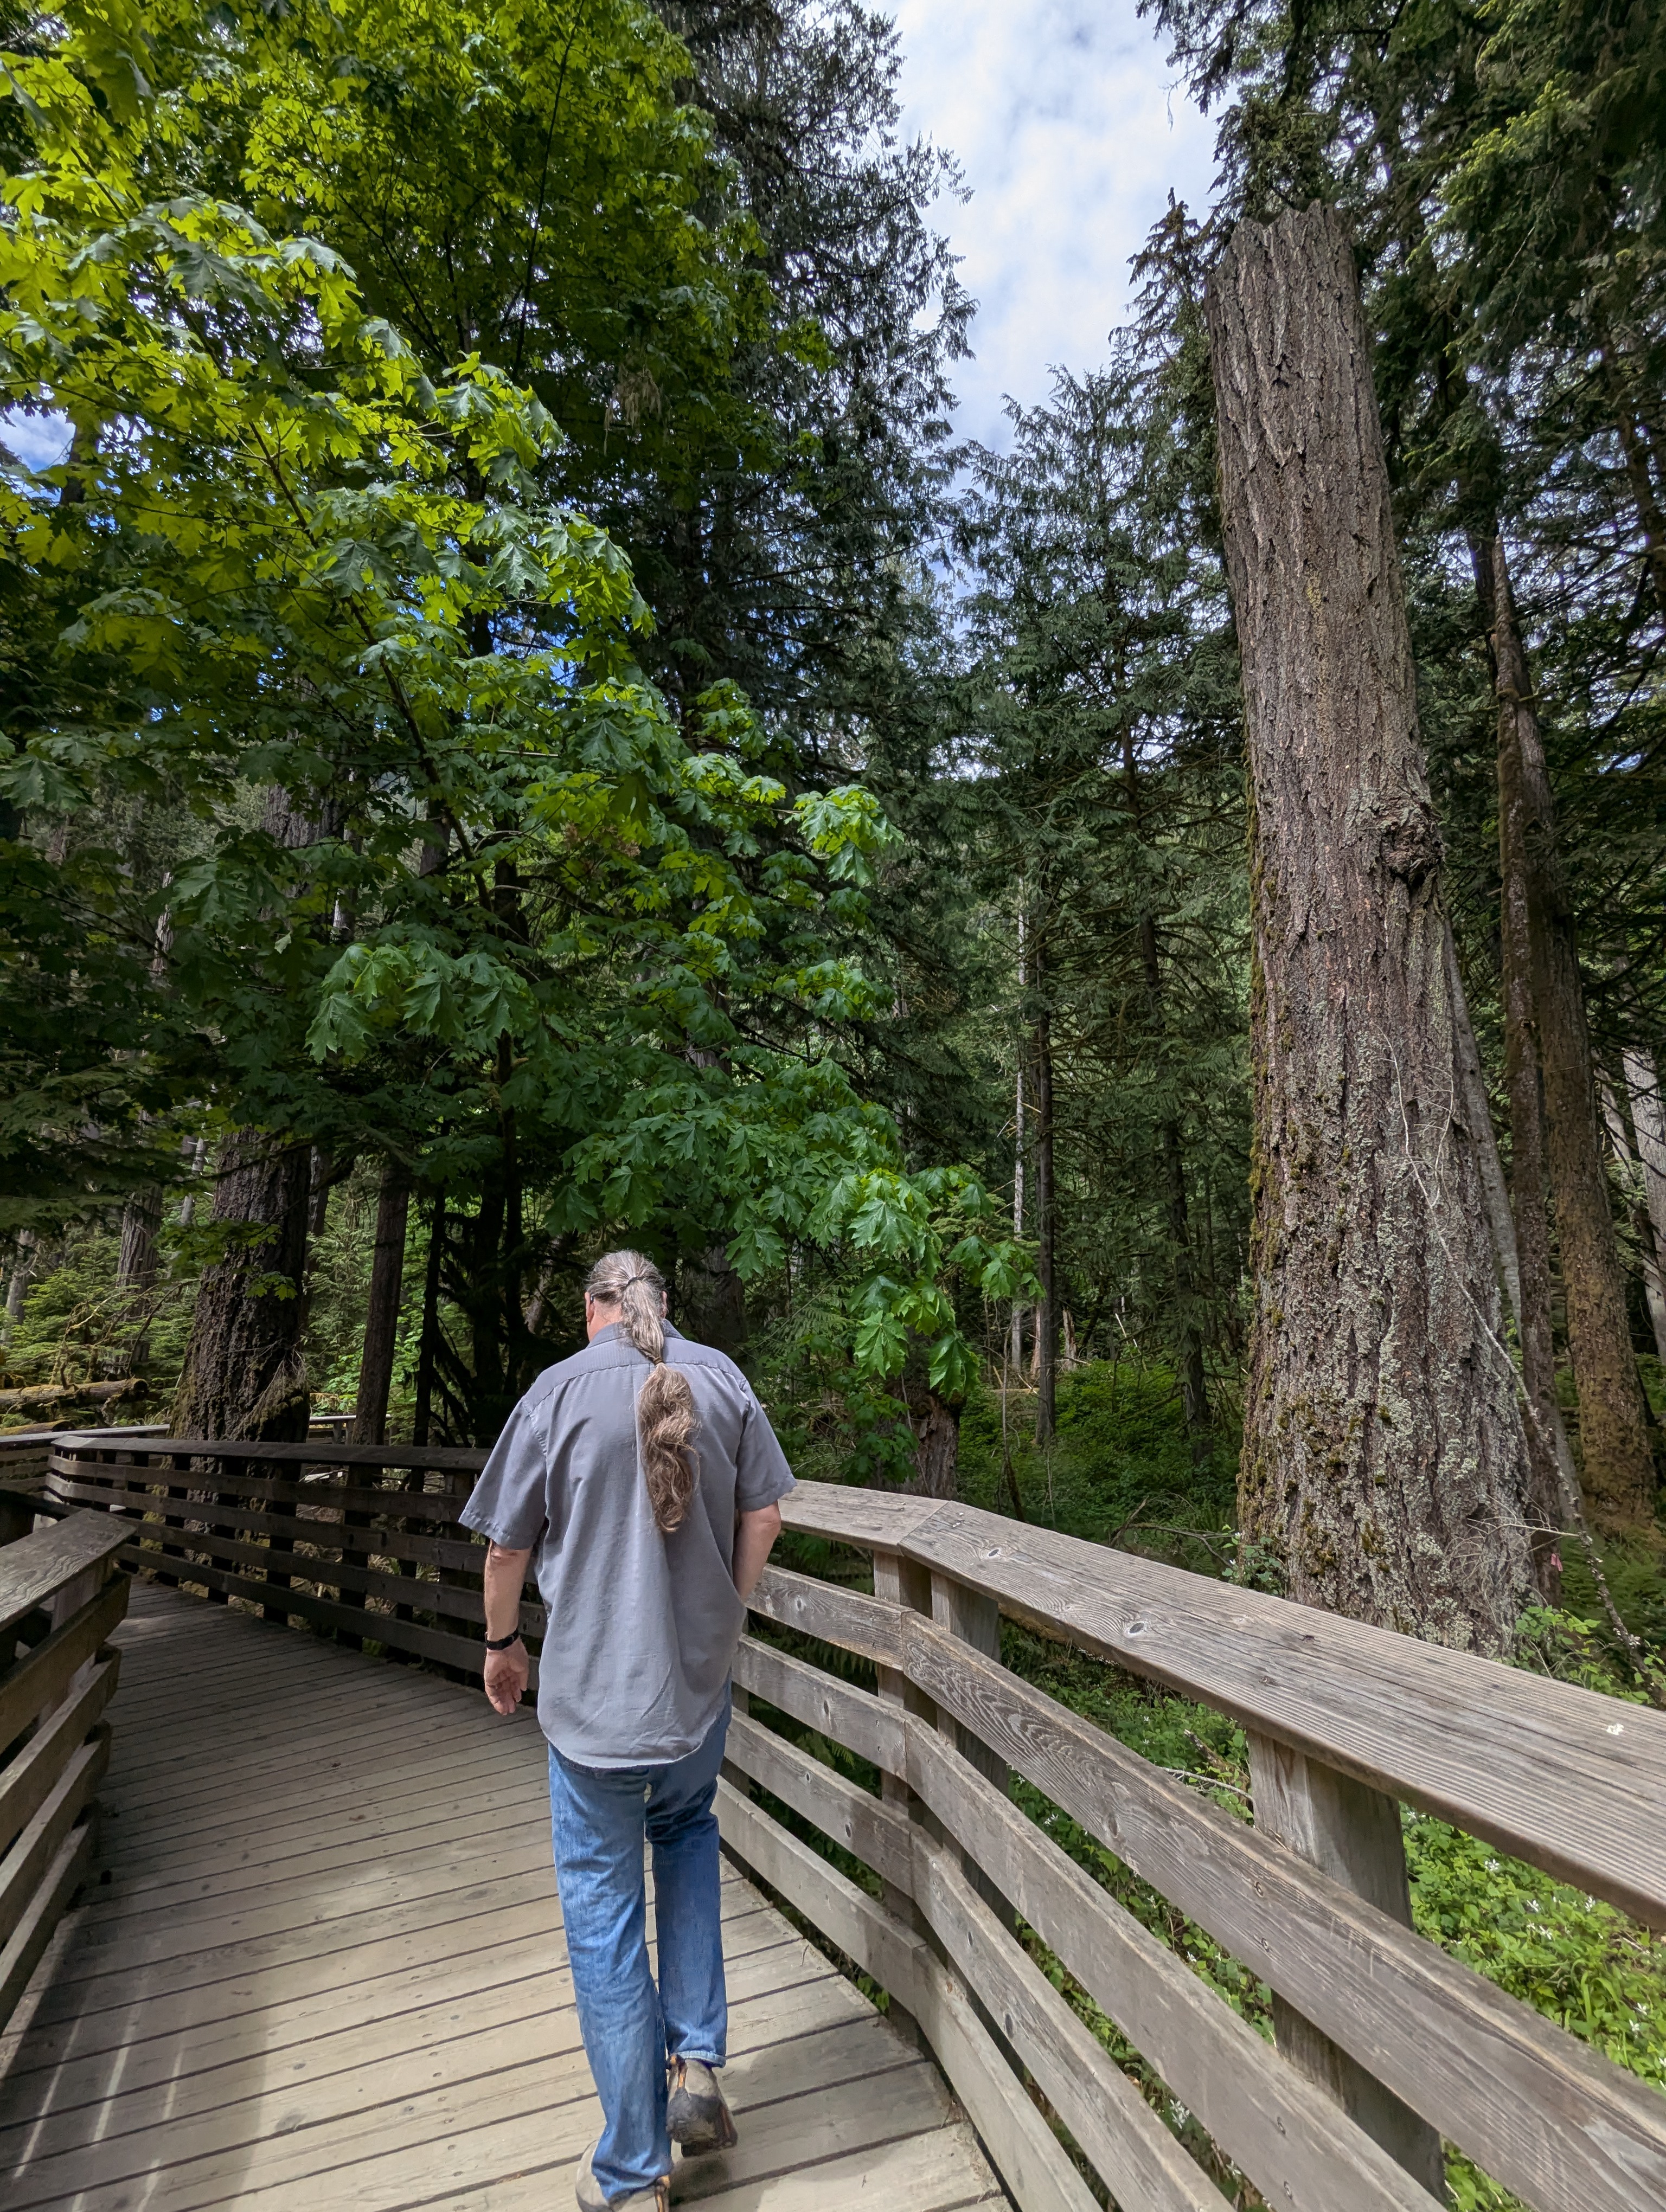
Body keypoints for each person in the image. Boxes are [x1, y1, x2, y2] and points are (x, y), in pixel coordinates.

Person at [459, 1250, 792, 2212]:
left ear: (596, 1309)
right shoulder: (722, 1379)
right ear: (659, 1305)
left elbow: (506, 1547)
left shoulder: (559, 1392)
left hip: (593, 1706)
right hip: (693, 1697)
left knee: (603, 1909)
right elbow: (764, 1513)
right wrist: (725, 1611)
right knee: (687, 1837)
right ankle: (694, 2060)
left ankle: (634, 2168)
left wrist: (501, 1647)